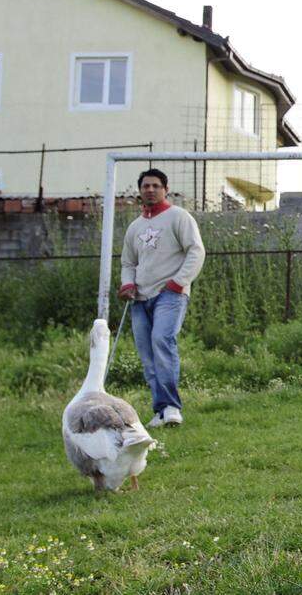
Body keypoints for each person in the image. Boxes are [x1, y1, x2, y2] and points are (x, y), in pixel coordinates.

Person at [119, 168, 206, 427]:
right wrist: (127, 284)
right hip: (139, 299)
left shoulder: (179, 217)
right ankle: (160, 410)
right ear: (140, 191)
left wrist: (178, 283)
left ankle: (171, 407)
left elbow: (196, 251)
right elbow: (128, 262)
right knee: (147, 355)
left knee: (162, 341)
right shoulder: (135, 227)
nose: (150, 190)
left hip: (170, 295)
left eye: (156, 185)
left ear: (165, 189)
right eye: (145, 186)